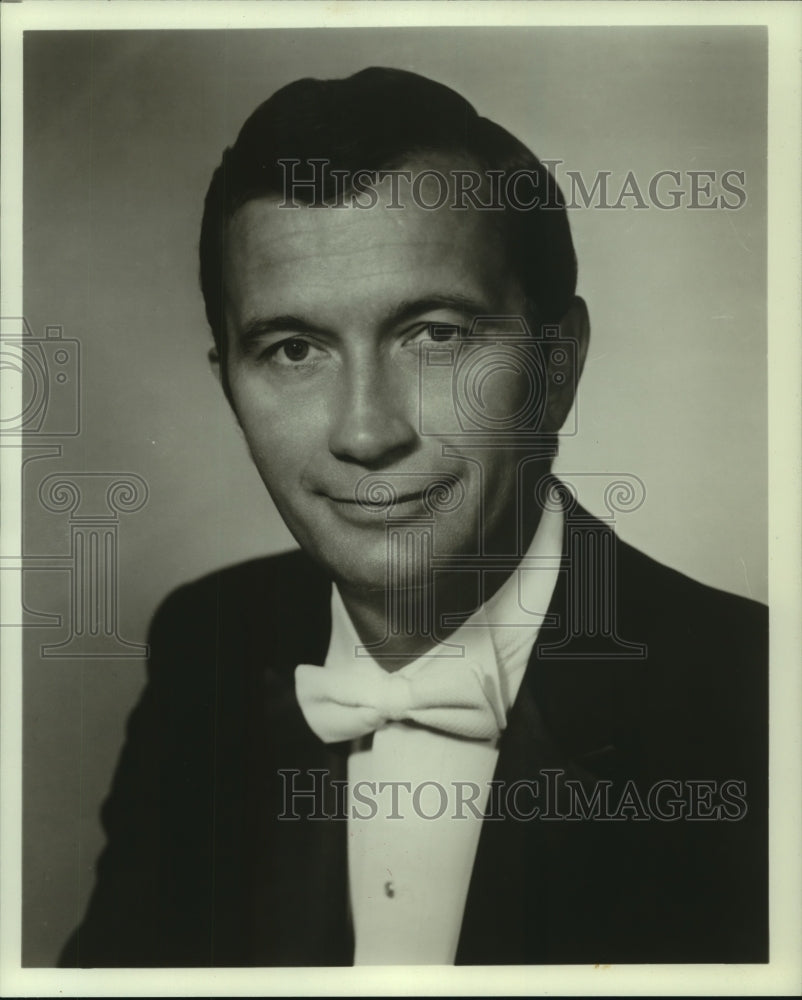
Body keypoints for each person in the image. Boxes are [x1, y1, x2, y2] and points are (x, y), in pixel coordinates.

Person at [59, 67, 767, 967]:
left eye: (435, 336)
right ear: (229, 389)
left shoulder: (753, 698)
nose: (364, 431)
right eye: (293, 349)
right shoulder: (208, 648)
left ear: (557, 369)